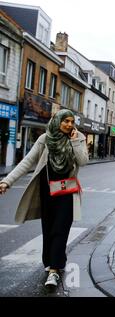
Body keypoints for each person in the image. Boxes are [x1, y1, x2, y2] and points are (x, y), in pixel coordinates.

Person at [0, 109, 89, 290]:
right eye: (66, 121)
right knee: (48, 229)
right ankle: (52, 261)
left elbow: (83, 160)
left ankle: (54, 270)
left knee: (60, 229)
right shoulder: (45, 138)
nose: (70, 125)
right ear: (57, 121)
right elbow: (27, 161)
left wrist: (74, 141)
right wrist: (7, 181)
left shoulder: (78, 137)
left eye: (72, 121)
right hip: (46, 191)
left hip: (67, 191)